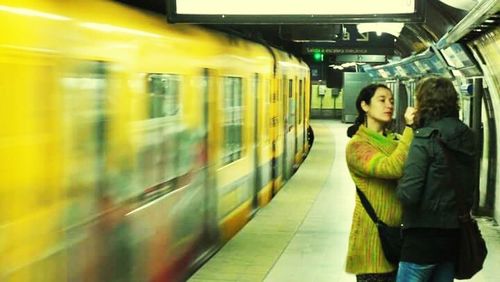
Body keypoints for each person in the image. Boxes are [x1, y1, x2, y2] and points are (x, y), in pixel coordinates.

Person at [396, 76, 476, 282]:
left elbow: (409, 194)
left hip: (422, 239)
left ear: (424, 103)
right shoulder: (467, 135)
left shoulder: (424, 139)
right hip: (452, 236)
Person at [345, 83, 415, 282]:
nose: (389, 105)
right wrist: (410, 128)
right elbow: (391, 168)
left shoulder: (395, 140)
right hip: (371, 241)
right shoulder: (357, 146)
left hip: (397, 237)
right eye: (382, 100)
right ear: (365, 106)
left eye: (392, 101)